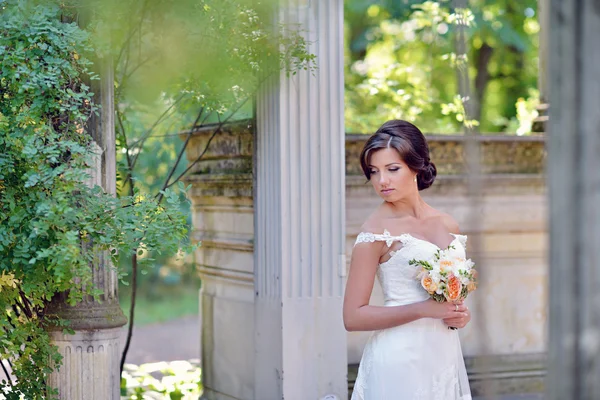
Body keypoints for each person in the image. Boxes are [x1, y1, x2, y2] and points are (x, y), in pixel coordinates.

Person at [343, 120, 472, 400]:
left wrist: (459, 315)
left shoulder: (447, 223)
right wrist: (424, 309)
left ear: (416, 166)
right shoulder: (374, 233)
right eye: (374, 172)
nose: (382, 181)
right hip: (398, 361)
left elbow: (451, 299)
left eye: (392, 169)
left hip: (443, 357)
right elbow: (352, 317)